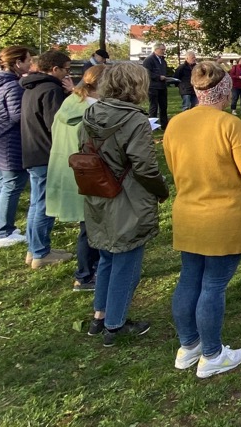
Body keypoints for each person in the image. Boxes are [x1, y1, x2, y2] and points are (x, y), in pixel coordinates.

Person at [165, 62, 241, 378]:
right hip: (224, 217)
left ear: (196, 91)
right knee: (213, 285)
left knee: (189, 279)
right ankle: (211, 354)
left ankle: (188, 345)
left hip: (188, 213)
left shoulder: (176, 124)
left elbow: (172, 166)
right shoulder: (231, 125)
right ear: (226, 90)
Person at [82, 62, 169, 345]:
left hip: (98, 191)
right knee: (127, 259)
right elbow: (145, 166)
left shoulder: (91, 112)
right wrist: (160, 190)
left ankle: (100, 314)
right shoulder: (134, 120)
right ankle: (115, 322)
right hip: (126, 195)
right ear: (137, 86)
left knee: (108, 255)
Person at [47, 65, 105, 291]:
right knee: (91, 227)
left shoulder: (71, 103)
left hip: (69, 169)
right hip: (88, 172)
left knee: (88, 224)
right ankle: (85, 274)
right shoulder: (93, 110)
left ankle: (87, 271)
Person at [22, 50, 75, 268]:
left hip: (33, 150)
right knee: (45, 204)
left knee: (37, 202)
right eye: (66, 69)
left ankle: (34, 248)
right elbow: (58, 124)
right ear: (55, 69)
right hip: (46, 154)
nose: (68, 74)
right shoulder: (51, 90)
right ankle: (40, 253)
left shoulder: (32, 87)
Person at [0, 45, 33, 247]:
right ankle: (5, 231)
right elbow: (17, 115)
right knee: (11, 184)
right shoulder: (13, 86)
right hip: (9, 140)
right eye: (28, 59)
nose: (30, 63)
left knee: (0, 183)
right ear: (17, 63)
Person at [143, 43, 170, 124]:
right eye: (162, 49)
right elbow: (146, 72)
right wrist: (158, 77)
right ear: (156, 49)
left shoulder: (163, 60)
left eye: (164, 49)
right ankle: (152, 125)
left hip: (162, 86)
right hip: (153, 87)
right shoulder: (149, 60)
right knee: (154, 106)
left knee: (163, 106)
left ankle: (164, 124)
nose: (163, 51)